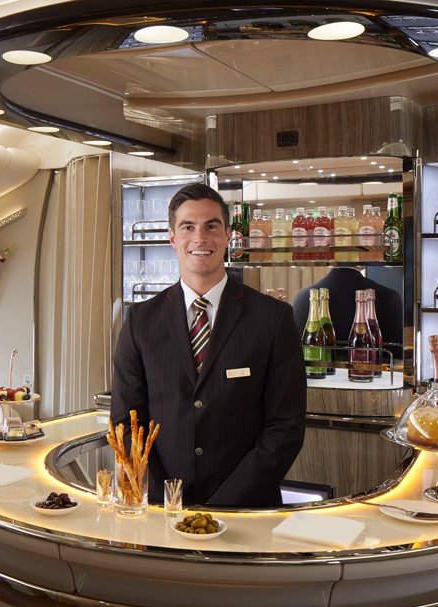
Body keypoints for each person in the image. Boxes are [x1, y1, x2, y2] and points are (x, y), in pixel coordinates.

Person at [111, 183, 306, 508]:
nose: (200, 238)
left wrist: (223, 505)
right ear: (173, 237)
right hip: (163, 510)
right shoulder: (140, 322)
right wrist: (165, 498)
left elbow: (285, 427)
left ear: (228, 235)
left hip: (248, 511)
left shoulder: (274, 319)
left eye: (211, 226)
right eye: (188, 227)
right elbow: (127, 422)